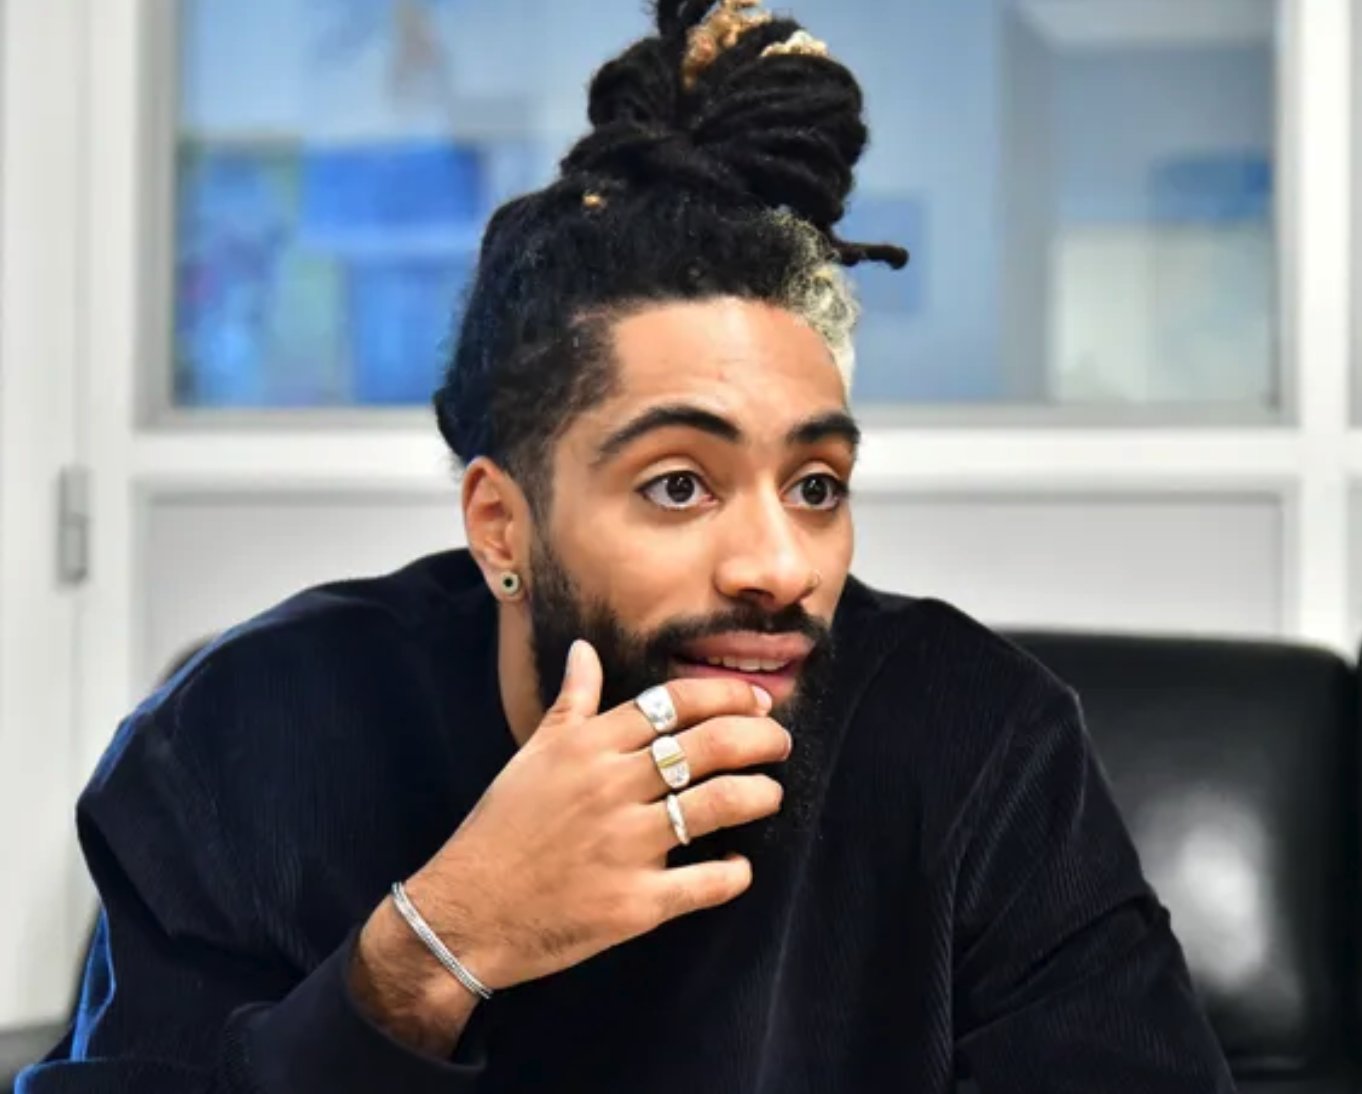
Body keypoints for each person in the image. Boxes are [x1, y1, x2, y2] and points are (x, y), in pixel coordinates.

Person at [19, 2, 1235, 1091]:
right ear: (502, 523)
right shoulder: (249, 734)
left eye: (816, 484)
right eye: (679, 484)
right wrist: (433, 951)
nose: (781, 566)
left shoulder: (982, 742)